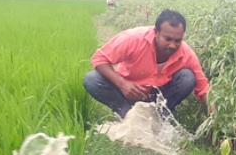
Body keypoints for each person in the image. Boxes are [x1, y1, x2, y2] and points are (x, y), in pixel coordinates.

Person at [84, 9, 212, 119]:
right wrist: (122, 84)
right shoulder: (134, 39)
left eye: (177, 40)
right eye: (167, 39)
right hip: (129, 91)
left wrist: (216, 114)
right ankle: (127, 114)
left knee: (187, 77)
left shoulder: (186, 54)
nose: (172, 45)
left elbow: (203, 88)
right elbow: (99, 58)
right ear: (156, 32)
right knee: (92, 79)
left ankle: (160, 117)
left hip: (159, 97)